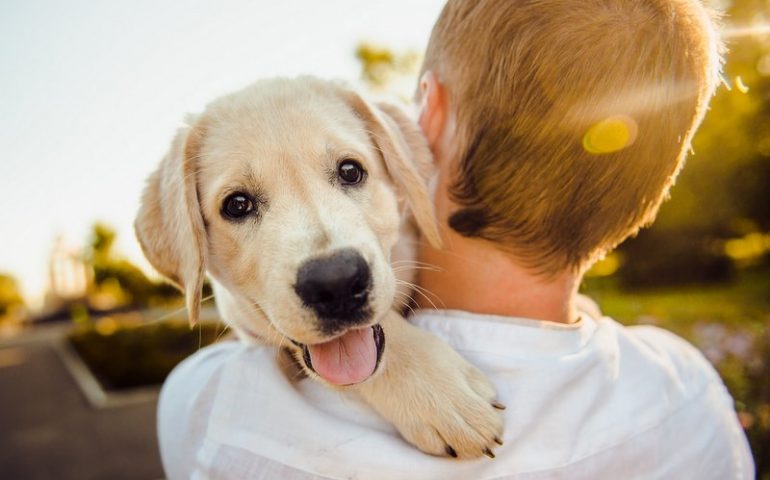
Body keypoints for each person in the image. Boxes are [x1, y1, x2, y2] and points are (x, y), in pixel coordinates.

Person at [157, 0, 755, 478]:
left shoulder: (212, 410)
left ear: (426, 122)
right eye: (240, 205)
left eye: (348, 173)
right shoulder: (689, 391)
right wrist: (393, 360)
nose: (328, 257)